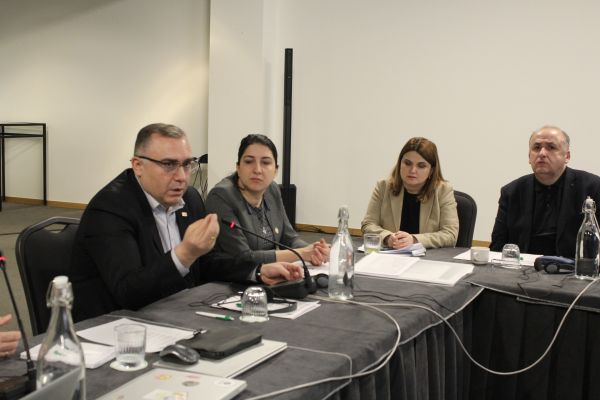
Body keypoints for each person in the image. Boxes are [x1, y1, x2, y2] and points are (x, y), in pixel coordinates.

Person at [70, 124, 303, 321]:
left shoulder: (189, 198)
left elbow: (207, 263)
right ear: (138, 166)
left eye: (186, 164)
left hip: (179, 313)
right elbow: (128, 292)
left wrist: (257, 271)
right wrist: (184, 253)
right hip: (118, 326)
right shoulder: (111, 208)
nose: (181, 176)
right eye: (168, 164)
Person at [205, 134, 329, 265]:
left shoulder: (272, 189)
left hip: (270, 273)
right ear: (238, 167)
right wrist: (302, 253)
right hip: (232, 276)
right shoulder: (221, 196)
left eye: (265, 162)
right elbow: (243, 257)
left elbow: (289, 238)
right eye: (249, 161)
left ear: (275, 170)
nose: (257, 170)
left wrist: (315, 250)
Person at [490, 126, 600, 257]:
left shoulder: (592, 188)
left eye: (551, 147)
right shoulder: (511, 192)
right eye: (536, 148)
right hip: (523, 267)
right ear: (529, 156)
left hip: (573, 267)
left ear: (567, 156)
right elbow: (497, 247)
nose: (542, 153)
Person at [361, 137, 459, 249]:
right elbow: (368, 224)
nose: (412, 170)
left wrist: (414, 240)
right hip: (390, 255)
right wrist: (387, 237)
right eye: (407, 163)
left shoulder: (443, 191)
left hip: (428, 257)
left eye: (421, 166)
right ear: (400, 164)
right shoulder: (383, 187)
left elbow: (450, 235)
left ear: (431, 171)